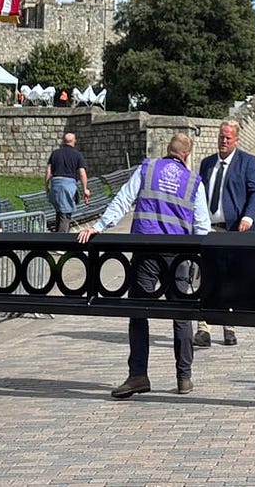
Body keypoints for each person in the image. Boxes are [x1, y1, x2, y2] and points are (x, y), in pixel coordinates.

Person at [76, 133, 211, 398]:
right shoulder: (194, 181)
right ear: (186, 155)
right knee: (181, 315)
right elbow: (202, 226)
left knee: (139, 310)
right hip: (179, 254)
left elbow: (123, 199)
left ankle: (138, 375)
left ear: (167, 150)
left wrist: (98, 226)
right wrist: (200, 259)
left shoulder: (148, 168)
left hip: (145, 250)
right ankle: (184, 377)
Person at [195, 122, 255, 349]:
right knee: (207, 277)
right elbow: (197, 194)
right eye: (221, 137)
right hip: (210, 230)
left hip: (234, 229)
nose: (223, 142)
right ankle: (203, 329)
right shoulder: (207, 164)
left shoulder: (248, 162)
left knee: (230, 279)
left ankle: (229, 325)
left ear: (236, 140)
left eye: (228, 138)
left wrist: (248, 216)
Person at [46, 132, 90, 233]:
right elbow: (82, 173)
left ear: (63, 141)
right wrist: (85, 189)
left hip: (55, 184)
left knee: (59, 212)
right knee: (65, 214)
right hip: (68, 185)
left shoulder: (55, 153)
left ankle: (58, 237)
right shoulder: (77, 155)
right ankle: (61, 241)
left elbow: (49, 171)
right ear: (74, 141)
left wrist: (46, 187)